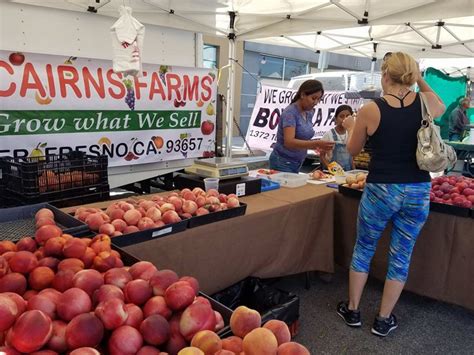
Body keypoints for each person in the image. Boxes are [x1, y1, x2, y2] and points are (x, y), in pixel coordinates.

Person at [336, 52, 445, 337]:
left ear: (385, 75)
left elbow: (352, 150)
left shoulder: (373, 109)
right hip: (417, 190)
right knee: (401, 256)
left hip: (381, 189)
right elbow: (441, 106)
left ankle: (353, 309)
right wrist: (418, 77)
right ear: (411, 75)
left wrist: (350, 128)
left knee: (364, 248)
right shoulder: (425, 103)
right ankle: (383, 319)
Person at [269, 80, 335, 173]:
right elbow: (289, 142)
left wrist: (317, 146)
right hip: (282, 162)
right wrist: (315, 144)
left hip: (298, 161)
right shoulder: (290, 113)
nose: (316, 102)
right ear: (303, 94)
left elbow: (303, 138)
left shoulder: (310, 112)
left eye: (319, 99)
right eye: (313, 98)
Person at [320, 105, 355, 171]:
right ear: (335, 119)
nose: (345, 119)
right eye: (341, 116)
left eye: (347, 116)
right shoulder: (328, 135)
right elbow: (322, 155)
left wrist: (354, 170)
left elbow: (352, 157)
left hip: (348, 171)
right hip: (333, 173)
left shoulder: (351, 134)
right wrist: (330, 168)